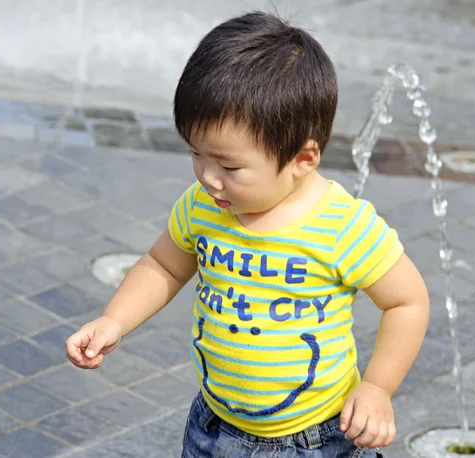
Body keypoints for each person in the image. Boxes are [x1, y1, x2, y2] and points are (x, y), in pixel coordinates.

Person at [66, 10, 430, 458]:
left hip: (311, 441)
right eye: (196, 155)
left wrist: (377, 387)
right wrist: (114, 320)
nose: (208, 178)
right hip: (211, 423)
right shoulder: (203, 206)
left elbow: (407, 301)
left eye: (230, 166)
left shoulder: (341, 225)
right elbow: (162, 264)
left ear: (303, 158)